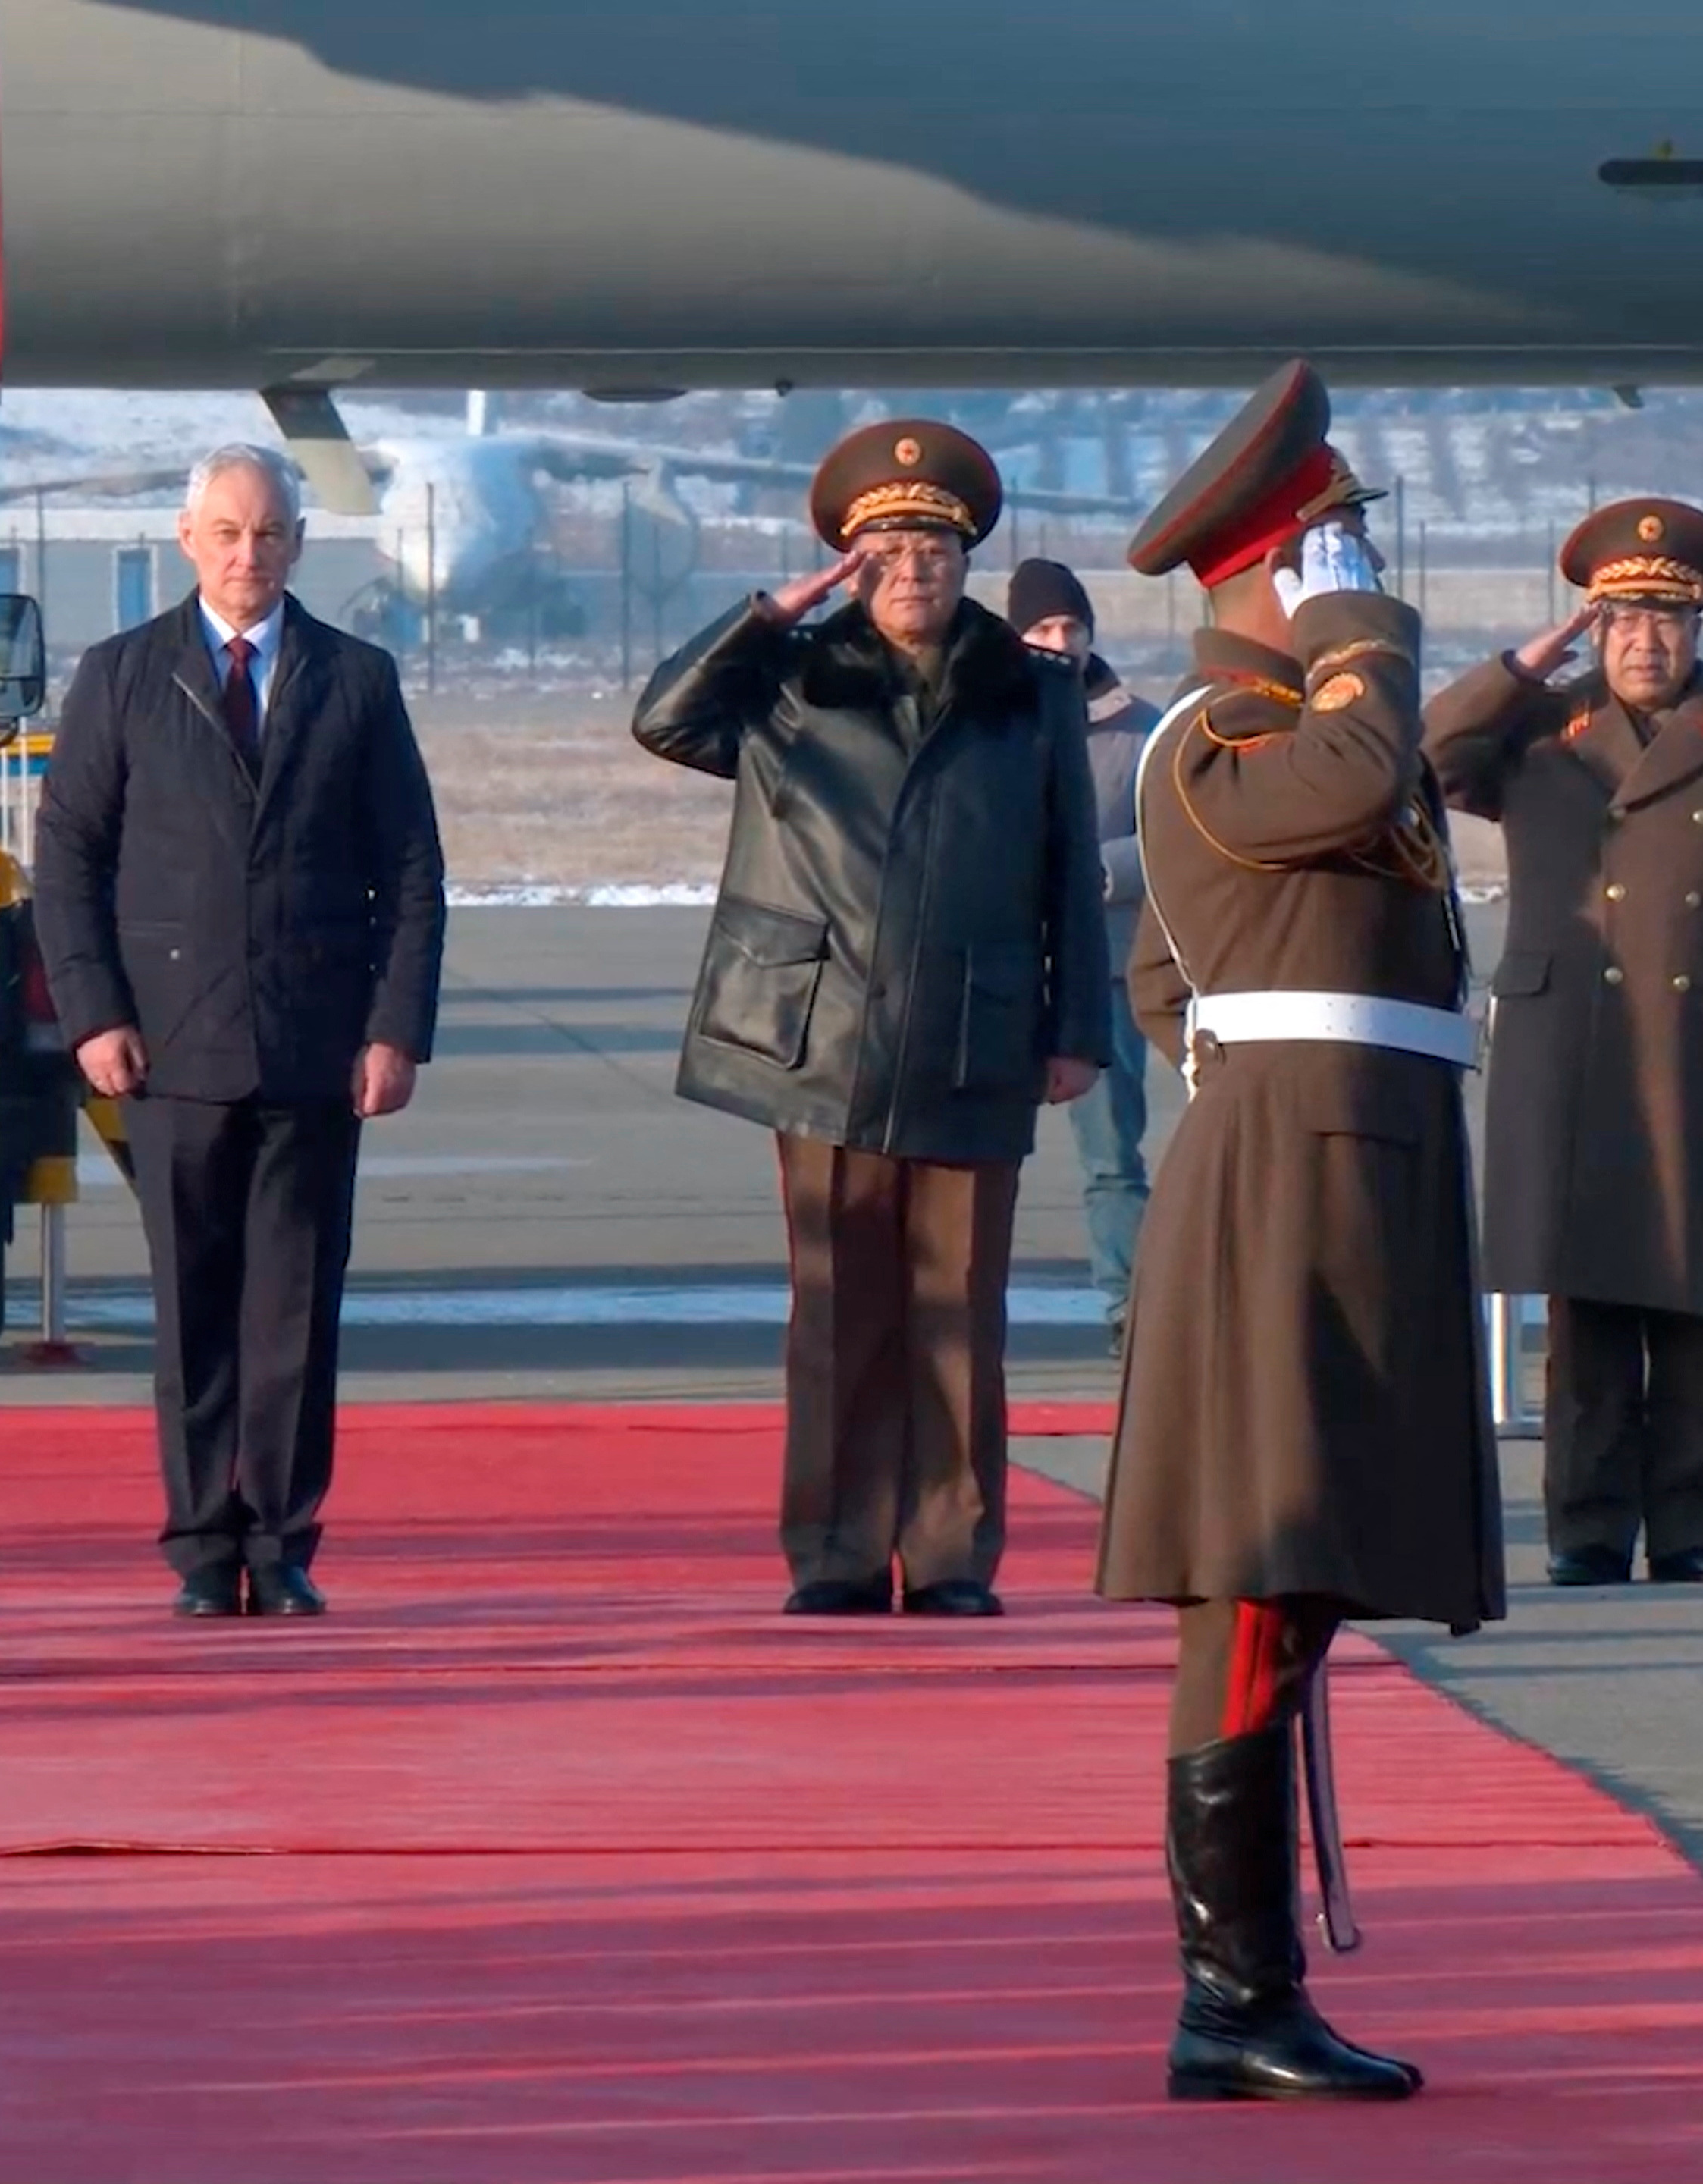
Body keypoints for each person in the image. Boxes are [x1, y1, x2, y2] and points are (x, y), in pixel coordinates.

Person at [1093, 358, 1502, 2102]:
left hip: (1353, 1171)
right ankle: (1228, 1996)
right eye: (1327, 545)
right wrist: (1376, 641)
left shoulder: (1306, 742)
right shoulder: (1223, 742)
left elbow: (1156, 977)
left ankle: (1241, 1990)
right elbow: (1345, 780)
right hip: (1295, 1185)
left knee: (1305, 1576)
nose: (1353, 572)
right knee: (1260, 1580)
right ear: (1264, 572)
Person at [632, 421, 1109, 1620]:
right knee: (840, 1313)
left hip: (972, 1032)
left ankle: (951, 1552)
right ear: (851, 562)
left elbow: (1070, 872)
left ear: (969, 561)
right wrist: (766, 615)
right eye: (889, 549)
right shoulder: (789, 678)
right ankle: (836, 1552)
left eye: (936, 548)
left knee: (959, 1312)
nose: (915, 571)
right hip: (820, 1032)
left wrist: (1074, 1030)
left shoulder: (1032, 691)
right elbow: (665, 720)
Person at [32, 443, 447, 1619]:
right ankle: (203, 1549)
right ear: (187, 540)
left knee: (296, 1310)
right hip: (167, 1049)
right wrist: (93, 1015)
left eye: (267, 534)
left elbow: (410, 869)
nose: (246, 555)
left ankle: (282, 1538)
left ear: (298, 546)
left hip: (316, 1048)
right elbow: (68, 863)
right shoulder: (122, 677)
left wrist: (394, 1028)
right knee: (194, 1310)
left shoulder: (355, 679)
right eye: (226, 532)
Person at [1425, 497, 1703, 1587]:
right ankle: (1588, 1526)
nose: (1645, 641)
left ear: (1700, 627)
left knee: (1695, 1295)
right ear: (1592, 631)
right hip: (1573, 1049)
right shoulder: (1536, 736)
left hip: (1700, 1044)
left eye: (1666, 619)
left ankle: (1698, 1527)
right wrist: (1528, 660)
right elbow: (1428, 754)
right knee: (1586, 1302)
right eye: (1620, 620)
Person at [1008, 556, 1163, 1352]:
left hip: (1101, 967)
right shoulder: (986, 715)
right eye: (1040, 628)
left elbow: (1177, 832)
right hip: (998, 967)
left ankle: (1126, 1309)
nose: (1059, 641)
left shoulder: (1140, 728)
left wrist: (1104, 871)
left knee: (1111, 1154)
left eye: (1071, 626)